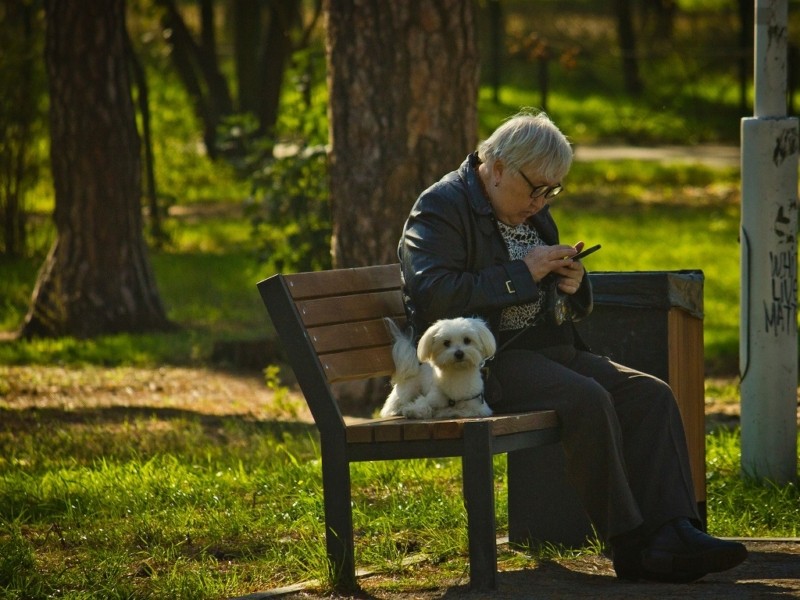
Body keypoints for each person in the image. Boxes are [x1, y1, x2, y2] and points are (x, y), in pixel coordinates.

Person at [396, 109, 747, 582]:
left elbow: (556, 299)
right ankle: (631, 544)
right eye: (536, 188)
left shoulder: (529, 210)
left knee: (650, 394)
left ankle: (674, 530)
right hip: (485, 365)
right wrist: (525, 273)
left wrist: (573, 283)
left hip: (548, 349)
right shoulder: (441, 207)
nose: (541, 202)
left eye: (551, 192)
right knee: (587, 398)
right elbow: (434, 291)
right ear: (497, 168)